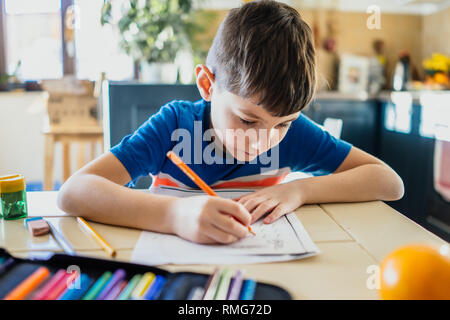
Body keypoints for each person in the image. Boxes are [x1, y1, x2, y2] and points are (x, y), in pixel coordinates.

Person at [58, 0, 404, 245]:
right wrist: (176, 217)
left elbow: (389, 182)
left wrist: (299, 189)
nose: (263, 141)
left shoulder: (292, 134)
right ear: (208, 85)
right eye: (247, 120)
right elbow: (74, 192)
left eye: (282, 124)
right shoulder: (175, 125)